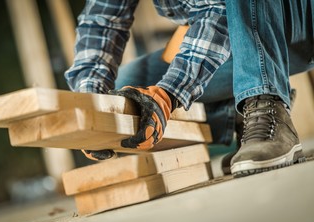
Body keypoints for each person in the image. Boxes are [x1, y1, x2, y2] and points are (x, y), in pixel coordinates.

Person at [65, 0, 314, 177]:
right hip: (239, 32)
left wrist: (169, 93)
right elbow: (100, 23)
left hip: (301, 25)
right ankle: (241, 110)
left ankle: (265, 102)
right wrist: (92, 102)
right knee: (125, 94)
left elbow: (215, 12)